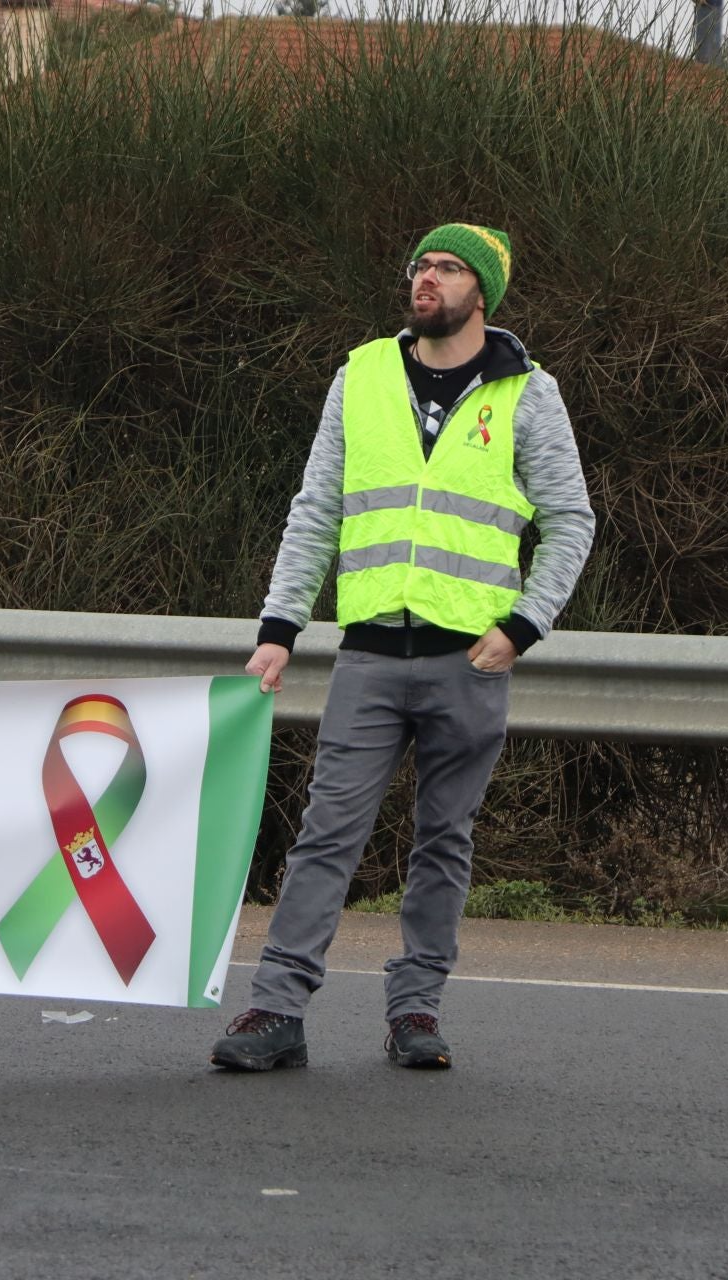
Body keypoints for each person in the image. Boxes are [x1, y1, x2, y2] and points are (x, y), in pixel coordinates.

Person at [211, 223, 594, 1071]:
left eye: (448, 268)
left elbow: (571, 522)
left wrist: (524, 626)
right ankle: (276, 1009)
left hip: (470, 660)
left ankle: (415, 1013)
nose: (427, 278)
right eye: (421, 265)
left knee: (443, 839)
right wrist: (280, 629)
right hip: (372, 652)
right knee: (327, 833)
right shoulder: (364, 374)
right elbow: (316, 509)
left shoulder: (527, 392)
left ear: (481, 293)